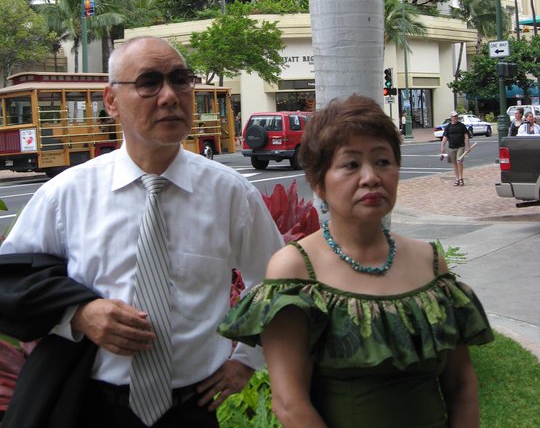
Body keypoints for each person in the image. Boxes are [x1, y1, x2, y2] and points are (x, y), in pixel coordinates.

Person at [0, 36, 283, 428]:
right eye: (149, 83)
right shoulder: (66, 194)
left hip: (192, 410)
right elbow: (11, 280)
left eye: (180, 80)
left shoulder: (231, 193)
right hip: (91, 406)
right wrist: (78, 314)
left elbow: (275, 284)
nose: (169, 97)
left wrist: (248, 361)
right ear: (112, 101)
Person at [219, 95, 493, 428]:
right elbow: (290, 404)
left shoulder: (430, 262)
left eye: (383, 161)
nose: (371, 177)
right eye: (351, 164)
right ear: (318, 182)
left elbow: (461, 384)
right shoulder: (294, 270)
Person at [440, 111, 470, 186]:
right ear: (451, 118)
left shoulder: (461, 126)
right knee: (454, 163)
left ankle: (461, 178)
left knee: (459, 161)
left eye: (456, 116)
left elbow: (466, 136)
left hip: (460, 146)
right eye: (454, 116)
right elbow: (445, 137)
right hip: (451, 147)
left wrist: (468, 146)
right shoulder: (448, 127)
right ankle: (457, 179)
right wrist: (442, 146)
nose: (455, 117)